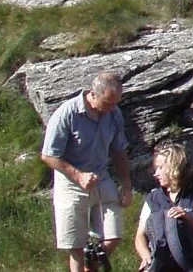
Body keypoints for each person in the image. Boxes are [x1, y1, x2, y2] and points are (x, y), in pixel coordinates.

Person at [41, 71, 134, 272]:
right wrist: (78, 176)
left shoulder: (114, 114)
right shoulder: (67, 114)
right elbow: (49, 156)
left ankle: (90, 267)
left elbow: (119, 150)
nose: (111, 108)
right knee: (77, 247)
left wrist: (126, 185)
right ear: (93, 94)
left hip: (101, 178)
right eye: (108, 103)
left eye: (116, 103)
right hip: (71, 183)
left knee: (113, 235)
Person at [135, 143, 193, 272]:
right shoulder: (153, 198)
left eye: (161, 168)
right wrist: (146, 256)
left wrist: (189, 219)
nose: (156, 173)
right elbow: (140, 235)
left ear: (174, 167)